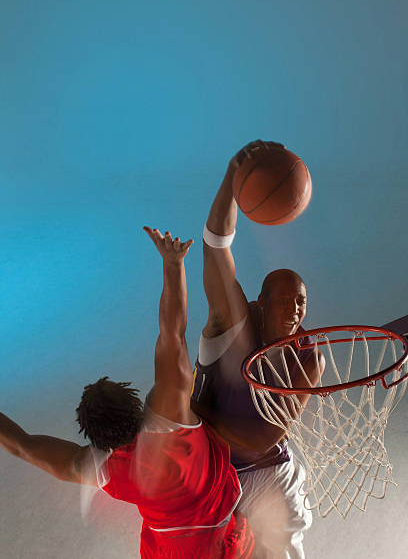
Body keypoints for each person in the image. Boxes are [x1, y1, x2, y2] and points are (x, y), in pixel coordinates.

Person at [0, 227, 254, 558]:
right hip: (222, 540)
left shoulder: (101, 468)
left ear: (96, 440)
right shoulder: (170, 417)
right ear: (135, 403)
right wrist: (173, 264)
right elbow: (172, 334)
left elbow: (22, 446)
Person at [191, 141, 325, 559]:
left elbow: (267, 435)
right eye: (283, 300)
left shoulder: (307, 354)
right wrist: (234, 183)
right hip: (214, 474)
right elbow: (216, 248)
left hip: (269, 475)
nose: (294, 309)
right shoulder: (230, 326)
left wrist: (199, 416)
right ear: (260, 303)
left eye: (301, 301)